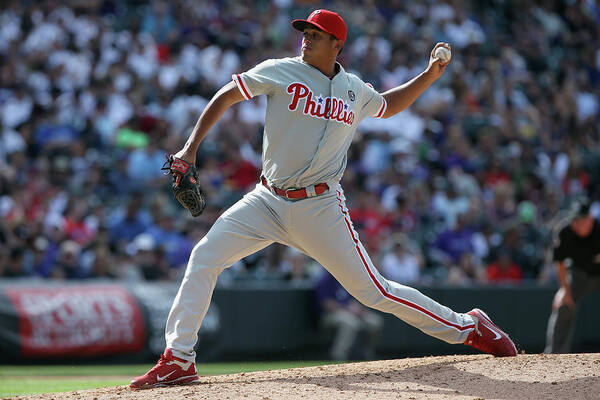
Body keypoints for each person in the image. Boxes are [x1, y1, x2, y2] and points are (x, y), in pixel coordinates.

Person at [130, 9, 517, 389]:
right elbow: (228, 94)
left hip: (320, 206)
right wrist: (190, 147)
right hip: (266, 199)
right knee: (204, 257)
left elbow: (388, 104)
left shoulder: (354, 89)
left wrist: (429, 76)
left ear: (336, 43)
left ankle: (468, 326)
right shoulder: (281, 70)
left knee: (374, 291)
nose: (306, 37)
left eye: (316, 34)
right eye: (305, 31)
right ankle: (179, 359)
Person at [545, 198, 600, 353]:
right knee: (563, 303)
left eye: (581, 219)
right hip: (579, 274)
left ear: (590, 218)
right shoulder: (565, 232)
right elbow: (560, 264)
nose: (577, 223)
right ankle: (555, 357)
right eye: (575, 219)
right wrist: (564, 290)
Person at [316, 269, 383, 360]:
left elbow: (354, 299)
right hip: (330, 315)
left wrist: (359, 309)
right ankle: (338, 356)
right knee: (350, 323)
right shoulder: (325, 279)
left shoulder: (346, 279)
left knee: (374, 321)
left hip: (350, 313)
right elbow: (327, 304)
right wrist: (348, 309)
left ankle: (366, 353)